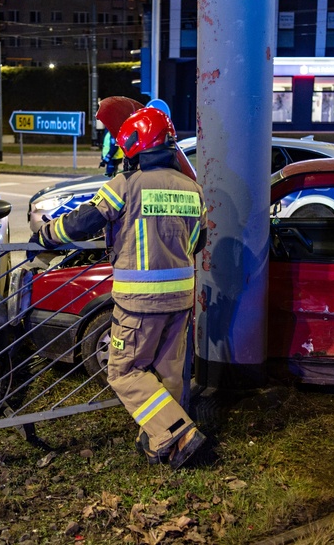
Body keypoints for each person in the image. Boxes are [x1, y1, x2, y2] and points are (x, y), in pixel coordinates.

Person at [31, 107, 208, 469]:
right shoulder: (193, 189)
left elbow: (83, 223)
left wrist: (46, 235)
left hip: (139, 301)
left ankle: (181, 433)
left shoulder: (126, 186)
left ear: (134, 145)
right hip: (180, 298)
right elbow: (199, 241)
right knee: (169, 372)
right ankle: (165, 445)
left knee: (123, 371)